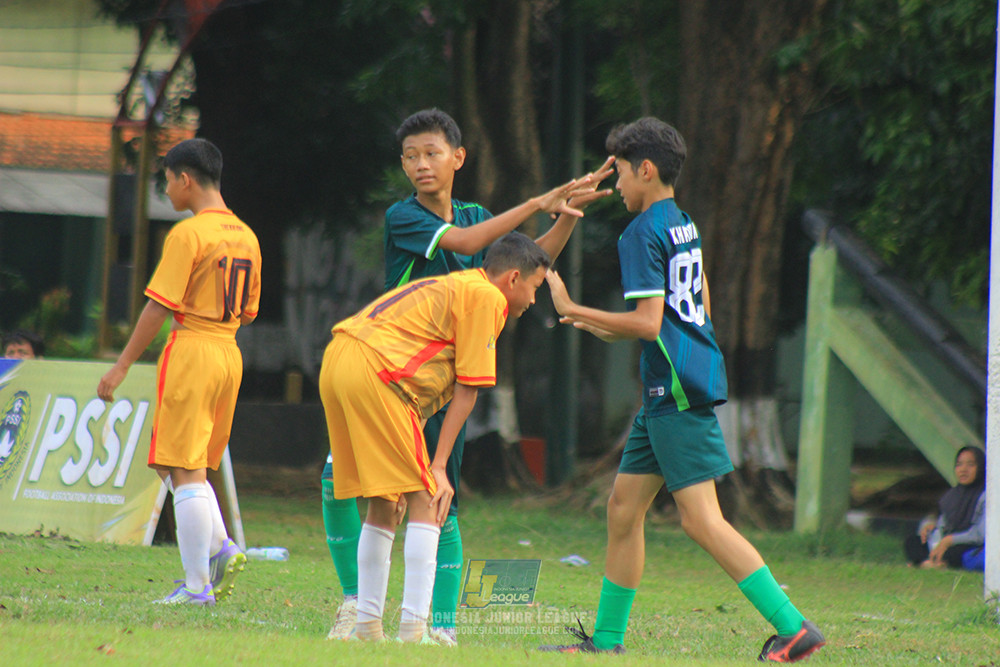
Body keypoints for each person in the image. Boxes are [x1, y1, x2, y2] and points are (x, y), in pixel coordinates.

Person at [537, 117, 825, 662]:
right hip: (669, 386)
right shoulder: (680, 221)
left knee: (701, 519)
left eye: (619, 173)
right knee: (623, 510)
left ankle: (794, 628)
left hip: (675, 390)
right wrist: (606, 326)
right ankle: (605, 640)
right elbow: (689, 307)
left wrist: (573, 309)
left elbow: (648, 323)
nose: (616, 185)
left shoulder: (640, 233)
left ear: (645, 169)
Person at [322, 107, 613, 644]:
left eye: (431, 153)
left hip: (402, 372)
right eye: (410, 156)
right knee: (404, 489)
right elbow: (466, 245)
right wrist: (536, 203)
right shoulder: (405, 218)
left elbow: (527, 261)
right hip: (401, 373)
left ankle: (429, 624)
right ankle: (376, 616)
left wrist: (565, 213)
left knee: (429, 496)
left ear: (458, 158)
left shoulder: (479, 220)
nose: (420, 165)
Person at [319, 231, 550, 643]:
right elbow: (469, 388)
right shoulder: (488, 298)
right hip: (379, 373)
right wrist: (438, 466)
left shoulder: (457, 284)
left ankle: (368, 627)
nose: (534, 301)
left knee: (385, 504)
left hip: (341, 358)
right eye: (535, 288)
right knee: (428, 499)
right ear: (514, 279)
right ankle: (414, 630)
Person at [97, 138, 261, 606]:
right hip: (229, 352)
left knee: (184, 469)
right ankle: (220, 548)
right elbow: (248, 311)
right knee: (184, 464)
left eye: (167, 180)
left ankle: (196, 586)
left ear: (185, 179)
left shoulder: (189, 235)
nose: (166, 191)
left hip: (194, 349)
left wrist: (121, 365)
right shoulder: (247, 235)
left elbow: (157, 308)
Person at [903, 446, 986, 569]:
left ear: (981, 468)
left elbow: (980, 535)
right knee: (913, 541)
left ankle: (924, 563)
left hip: (968, 544)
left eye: (970, 465)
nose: (963, 470)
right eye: (959, 464)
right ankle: (930, 564)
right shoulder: (952, 495)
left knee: (958, 553)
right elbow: (943, 525)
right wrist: (931, 528)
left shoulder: (986, 496)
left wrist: (950, 540)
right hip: (946, 542)